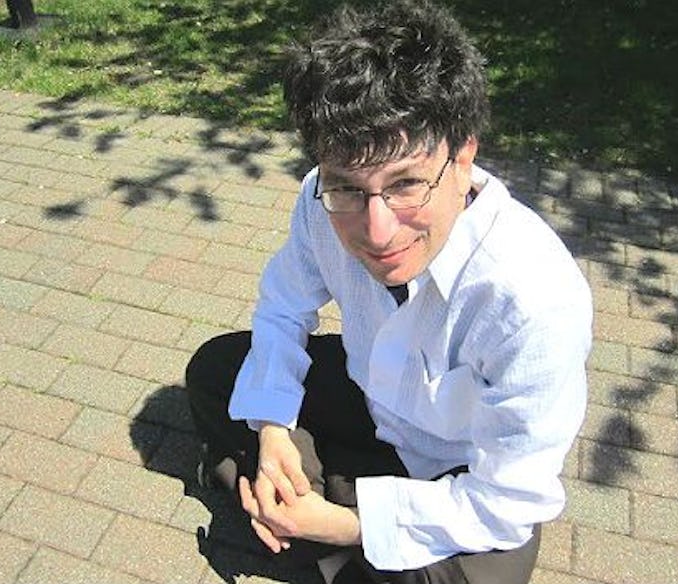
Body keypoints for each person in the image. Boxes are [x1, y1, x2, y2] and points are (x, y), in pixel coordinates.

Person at [186, 1, 592, 583]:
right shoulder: (317, 200)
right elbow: (283, 306)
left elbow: (508, 500)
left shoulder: (533, 300)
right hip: (369, 397)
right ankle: (302, 504)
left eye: (405, 185)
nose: (378, 233)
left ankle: (300, 519)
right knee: (214, 368)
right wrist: (274, 429)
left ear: (464, 155)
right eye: (348, 188)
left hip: (457, 468)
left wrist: (344, 526)